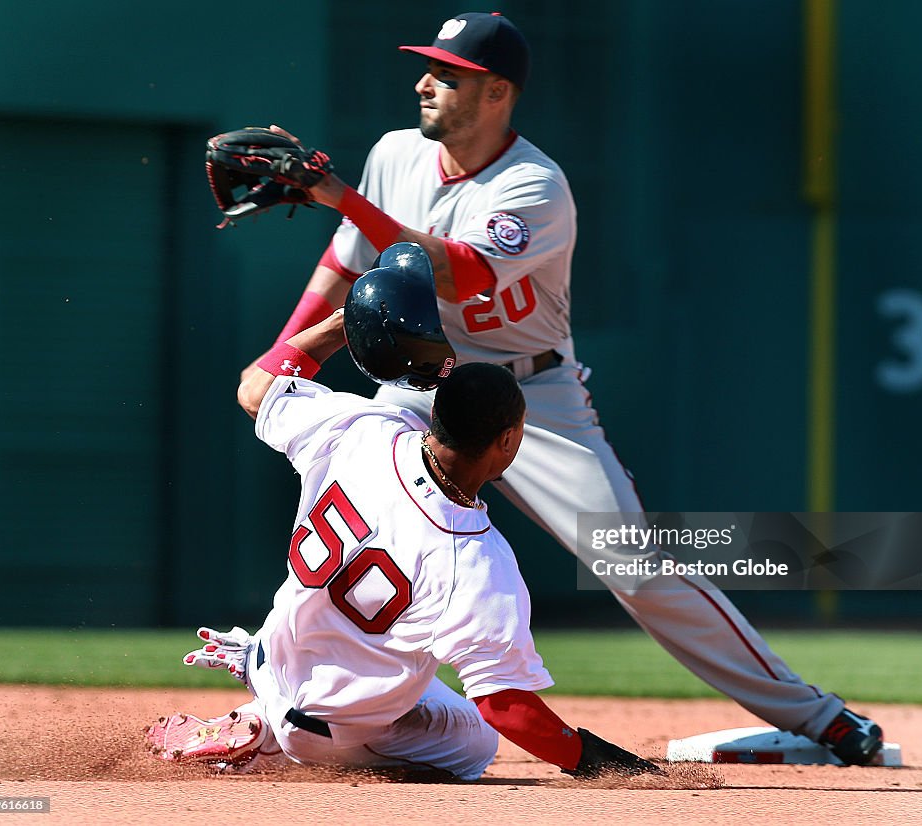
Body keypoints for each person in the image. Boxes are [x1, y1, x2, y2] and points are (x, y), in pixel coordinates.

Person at [238, 12, 883, 765]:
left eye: (449, 76)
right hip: (422, 381)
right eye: (428, 69)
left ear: (497, 93)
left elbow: (462, 272)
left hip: (531, 402)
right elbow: (343, 270)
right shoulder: (393, 155)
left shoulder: (534, 184)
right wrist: (281, 355)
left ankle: (820, 716)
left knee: (636, 565)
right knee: (353, 521)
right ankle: (274, 702)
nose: (424, 83)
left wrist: (339, 196)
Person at [146, 245, 662, 780]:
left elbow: (256, 389)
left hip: (278, 653)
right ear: (507, 441)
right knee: (476, 741)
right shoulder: (474, 557)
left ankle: (262, 689)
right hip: (324, 723)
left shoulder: (365, 428)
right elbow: (506, 706)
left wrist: (344, 323)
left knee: (409, 665)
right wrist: (606, 764)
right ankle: (272, 740)